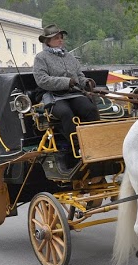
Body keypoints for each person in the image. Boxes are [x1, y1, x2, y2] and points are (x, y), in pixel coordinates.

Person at [32, 24, 100, 172]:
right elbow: (42, 80)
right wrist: (66, 82)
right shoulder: (41, 58)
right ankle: (76, 150)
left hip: (73, 93)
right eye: (56, 38)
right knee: (65, 113)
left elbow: (79, 76)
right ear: (48, 41)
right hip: (52, 95)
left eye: (61, 37)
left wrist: (86, 82)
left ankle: (95, 144)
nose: (60, 40)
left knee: (90, 109)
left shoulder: (70, 57)